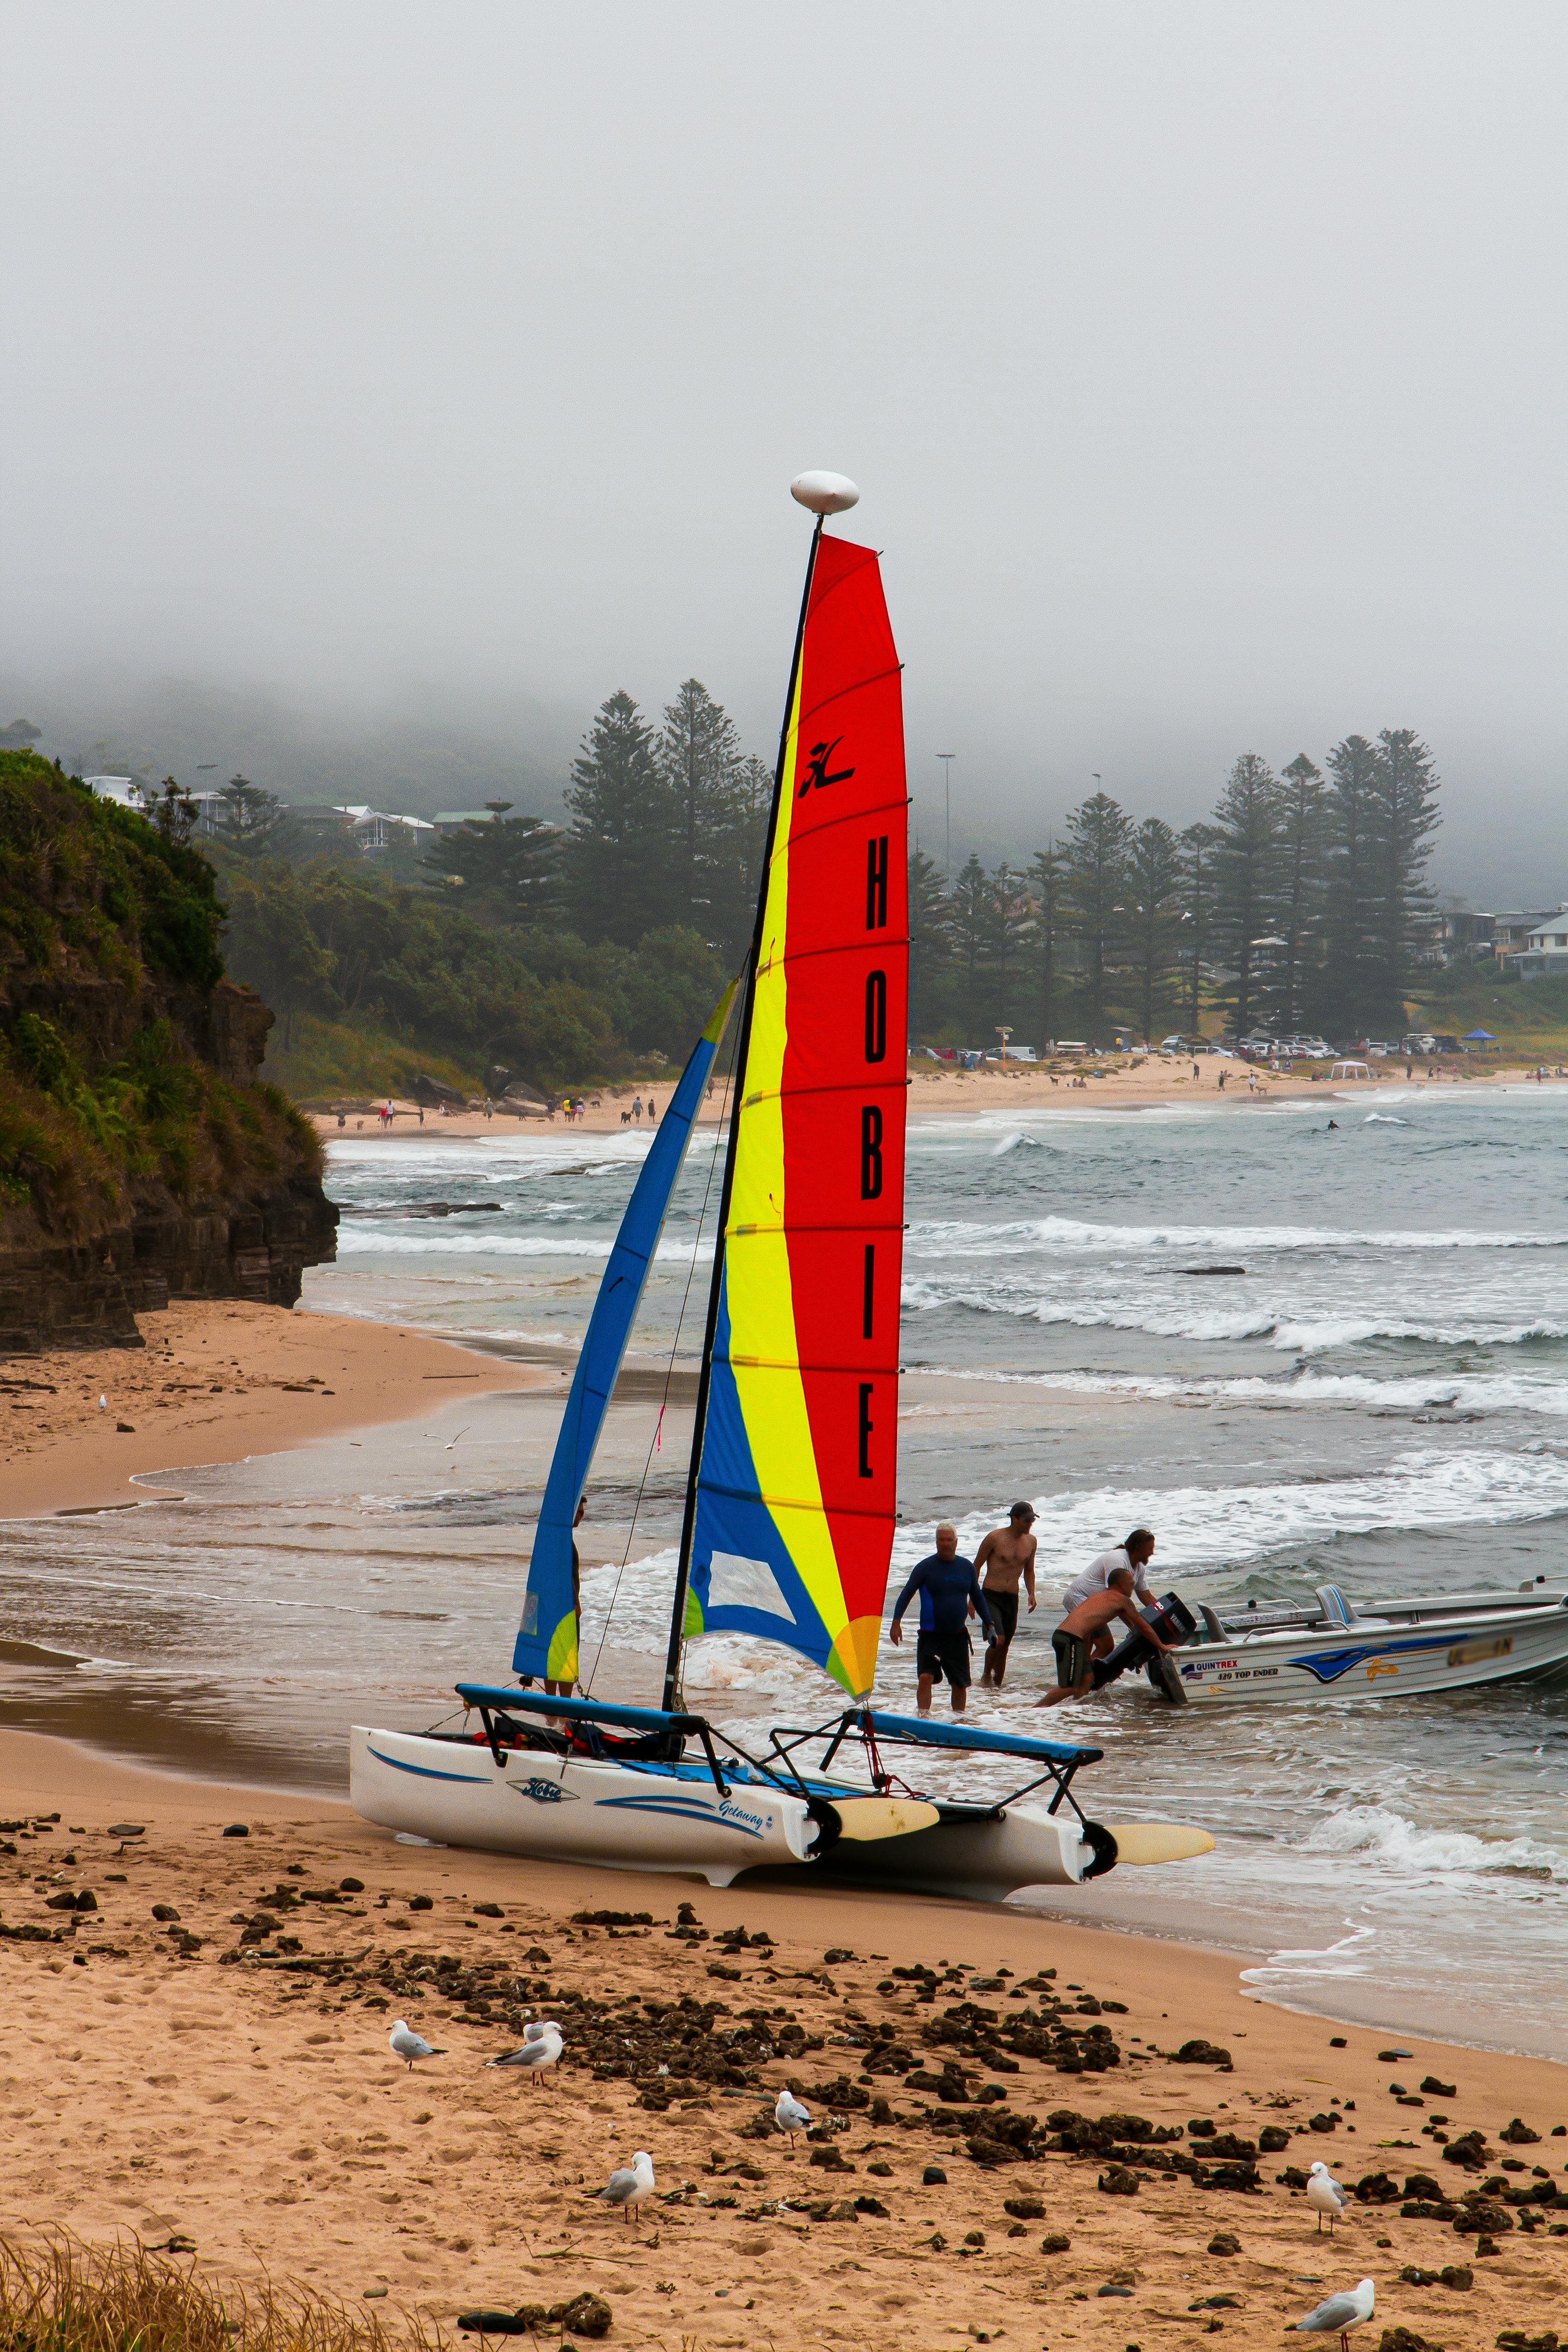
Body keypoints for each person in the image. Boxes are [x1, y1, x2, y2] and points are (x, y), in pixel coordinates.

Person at [889, 1523, 994, 1715]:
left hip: (957, 1637)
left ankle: (958, 1720)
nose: (945, 1543)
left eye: (949, 1540)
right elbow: (906, 1594)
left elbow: (977, 1597)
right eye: (941, 1540)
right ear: (937, 1542)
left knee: (959, 1683)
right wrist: (896, 1623)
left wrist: (989, 1624)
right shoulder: (925, 1568)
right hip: (930, 1636)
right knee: (925, 1677)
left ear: (956, 1542)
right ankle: (923, 1718)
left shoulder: (966, 1568)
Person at [1037, 1566, 1177, 1707]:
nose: (1133, 1587)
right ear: (1121, 1584)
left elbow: (1087, 1630)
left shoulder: (1097, 1596)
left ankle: (1077, 1712)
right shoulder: (1123, 1601)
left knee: (1087, 1678)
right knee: (1069, 1686)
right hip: (1070, 1639)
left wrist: (1087, 1655)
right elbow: (1144, 1627)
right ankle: (1031, 1712)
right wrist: (1162, 1647)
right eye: (1130, 1583)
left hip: (1065, 1636)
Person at [973, 1502, 1038, 1689]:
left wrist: (1031, 1593)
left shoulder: (1032, 1541)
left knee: (1006, 1645)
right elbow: (976, 1566)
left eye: (1032, 1520)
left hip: (1012, 1598)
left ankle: (997, 1687)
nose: (1030, 1524)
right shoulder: (995, 1538)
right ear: (1014, 1518)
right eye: (1027, 1520)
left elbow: (1029, 1571)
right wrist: (972, 1598)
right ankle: (986, 1675)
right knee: (998, 1640)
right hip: (990, 1596)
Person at [544, 1497, 586, 1701]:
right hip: (565, 1607)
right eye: (580, 1511)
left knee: (554, 1655)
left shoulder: (556, 1537)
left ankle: (551, 1702)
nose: (582, 1516)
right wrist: (575, 1603)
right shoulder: (563, 1541)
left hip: (552, 1605)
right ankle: (563, 1704)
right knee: (567, 1655)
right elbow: (563, 1573)